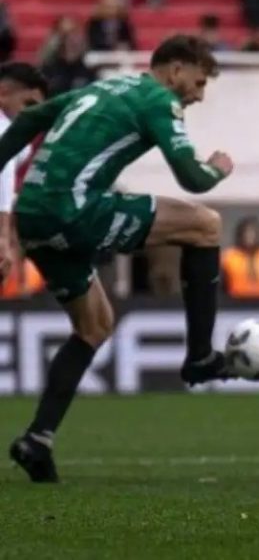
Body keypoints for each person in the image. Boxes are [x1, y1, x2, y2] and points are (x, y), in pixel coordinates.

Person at [2, 36, 237, 483]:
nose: (199, 95)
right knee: (205, 225)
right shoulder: (157, 99)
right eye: (199, 82)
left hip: (33, 216)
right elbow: (193, 178)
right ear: (176, 70)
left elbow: (30, 117)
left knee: (94, 326)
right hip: (73, 210)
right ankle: (201, 356)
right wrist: (218, 168)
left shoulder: (102, 88)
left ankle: (38, 438)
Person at [0, 63, 49, 283]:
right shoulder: (4, 129)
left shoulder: (22, 142)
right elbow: (4, 176)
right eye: (28, 104)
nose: (33, 115)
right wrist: (3, 237)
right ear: (3, 94)